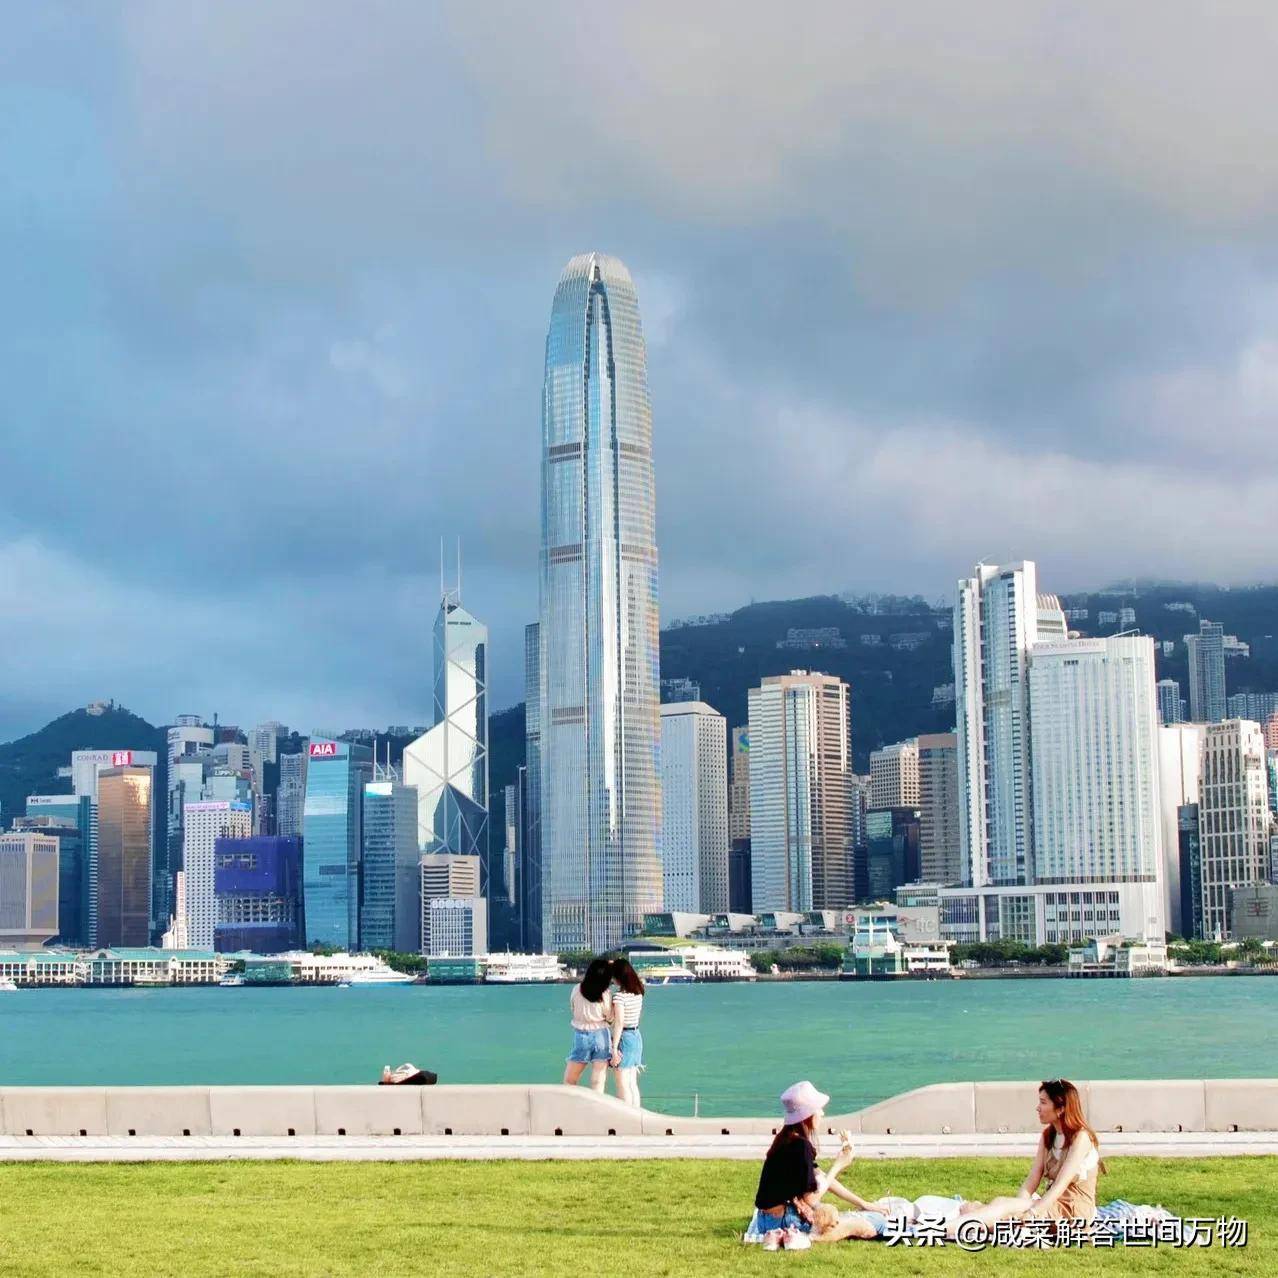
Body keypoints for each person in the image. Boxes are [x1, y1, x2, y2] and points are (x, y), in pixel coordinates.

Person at [946, 1078, 1103, 1238]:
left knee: (997, 1208)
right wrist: (1017, 1209)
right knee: (991, 1207)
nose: (1038, 1108)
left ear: (1060, 1108)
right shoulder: (1048, 1136)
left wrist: (1031, 1213)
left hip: (1073, 1213)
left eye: (1043, 1102)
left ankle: (940, 1230)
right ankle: (958, 1225)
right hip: (1050, 1206)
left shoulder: (1081, 1138)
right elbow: (1032, 1181)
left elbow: (1059, 1186)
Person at [746, 1081, 871, 1246]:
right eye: (818, 1109)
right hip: (783, 1220)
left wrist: (864, 1203)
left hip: (765, 1219)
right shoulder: (801, 1146)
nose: (822, 1113)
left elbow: (824, 1178)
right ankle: (811, 1237)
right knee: (861, 1226)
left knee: (831, 1212)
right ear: (808, 1114)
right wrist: (839, 1165)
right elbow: (811, 1199)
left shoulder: (786, 1139)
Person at [562, 957, 619, 1092]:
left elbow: (573, 1008)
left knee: (570, 1079)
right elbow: (610, 1017)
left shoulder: (577, 989)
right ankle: (596, 1109)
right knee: (598, 1080)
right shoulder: (606, 994)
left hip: (581, 1035)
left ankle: (568, 1108)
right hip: (601, 1035)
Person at [609, 957, 645, 1107]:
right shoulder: (639, 992)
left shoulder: (619, 997)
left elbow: (619, 1023)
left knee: (622, 1083)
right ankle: (637, 1116)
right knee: (632, 1083)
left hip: (624, 1038)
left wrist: (614, 1049)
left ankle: (627, 1118)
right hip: (636, 1036)